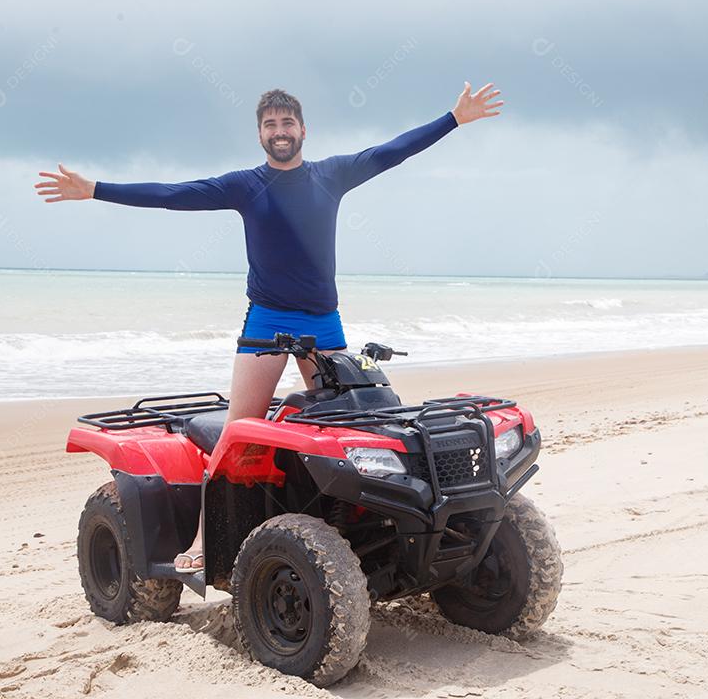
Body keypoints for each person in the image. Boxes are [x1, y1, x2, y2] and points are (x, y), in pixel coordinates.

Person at [35, 82, 503, 571]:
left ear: (303, 129)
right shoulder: (246, 185)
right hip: (267, 322)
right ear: (261, 134)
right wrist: (95, 190)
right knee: (238, 432)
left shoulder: (332, 175)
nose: (279, 132)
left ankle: (355, 529)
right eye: (270, 125)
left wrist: (453, 118)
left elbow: (391, 153)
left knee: (352, 430)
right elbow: (174, 195)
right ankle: (199, 540)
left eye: (287, 123)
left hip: (323, 323)